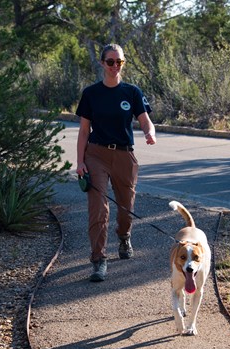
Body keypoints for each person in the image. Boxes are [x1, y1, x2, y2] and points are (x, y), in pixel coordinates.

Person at [75, 43, 157, 282]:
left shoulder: (131, 92)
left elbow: (145, 119)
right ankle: (99, 260)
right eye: (110, 62)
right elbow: (83, 131)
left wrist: (149, 132)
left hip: (124, 155)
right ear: (102, 63)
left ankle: (124, 236)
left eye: (119, 62)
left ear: (123, 64)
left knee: (125, 209)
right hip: (96, 154)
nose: (114, 66)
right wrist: (80, 162)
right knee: (98, 208)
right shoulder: (91, 93)